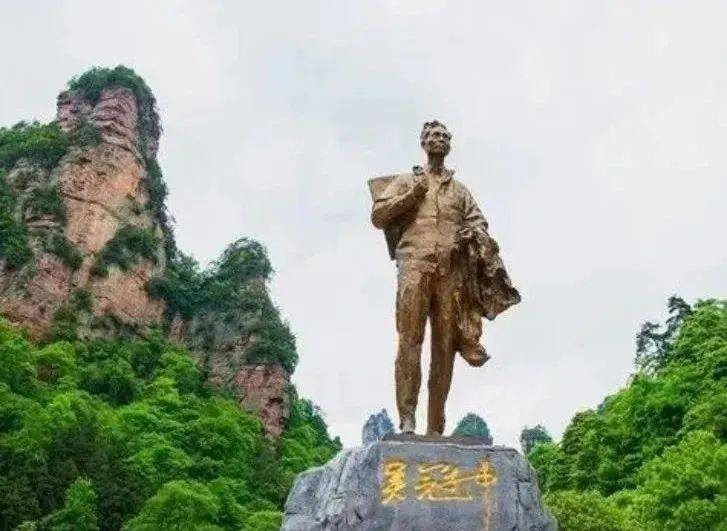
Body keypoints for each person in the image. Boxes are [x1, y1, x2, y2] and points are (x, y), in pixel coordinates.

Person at [369, 120, 519, 436]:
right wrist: (412, 195)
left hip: (450, 273)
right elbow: (378, 216)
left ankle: (435, 424)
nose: (438, 139)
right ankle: (407, 419)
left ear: (449, 144)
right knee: (409, 341)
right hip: (414, 267)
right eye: (432, 135)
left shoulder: (460, 191)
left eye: (443, 136)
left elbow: (480, 224)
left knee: (445, 347)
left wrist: (472, 233)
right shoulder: (407, 181)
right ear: (423, 143)